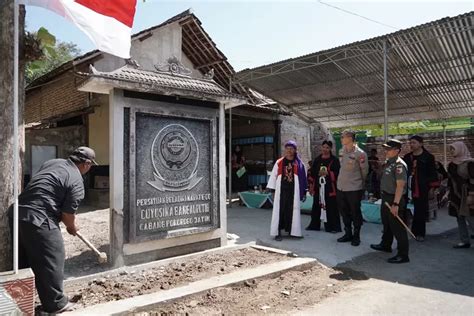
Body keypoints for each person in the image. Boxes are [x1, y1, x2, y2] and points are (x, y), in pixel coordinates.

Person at [8, 147, 97, 313]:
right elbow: (67, 215)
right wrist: (72, 228)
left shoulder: (53, 162)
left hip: (17, 213)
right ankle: (56, 304)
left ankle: (20, 304)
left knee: (23, 261)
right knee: (53, 258)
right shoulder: (77, 181)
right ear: (86, 164)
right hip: (40, 217)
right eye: (91, 165)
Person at [370, 139, 410, 264]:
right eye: (385, 148)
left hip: (394, 198)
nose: (385, 151)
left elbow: (400, 186)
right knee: (387, 224)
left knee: (398, 228)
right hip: (386, 197)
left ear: (397, 150)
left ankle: (403, 254)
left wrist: (396, 204)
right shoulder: (389, 162)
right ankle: (385, 245)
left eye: (388, 149)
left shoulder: (399, 165)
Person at [267, 140, 307, 241]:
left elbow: (303, 178)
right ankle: (277, 232)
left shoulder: (299, 163)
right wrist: (272, 190)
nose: (289, 151)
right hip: (281, 191)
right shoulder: (279, 162)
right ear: (285, 150)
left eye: (291, 149)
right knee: (280, 211)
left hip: (294, 191)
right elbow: (273, 176)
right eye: (287, 148)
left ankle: (292, 231)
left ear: (295, 150)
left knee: (292, 211)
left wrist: (304, 191)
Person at [336, 130, 369, 246]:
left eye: (343, 136)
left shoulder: (360, 154)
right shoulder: (341, 151)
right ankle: (348, 233)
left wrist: (360, 183)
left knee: (355, 212)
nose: (341, 138)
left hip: (354, 187)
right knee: (344, 212)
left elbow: (364, 171)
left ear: (350, 138)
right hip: (341, 187)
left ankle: (356, 235)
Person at [403, 135, 438, 241]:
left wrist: (432, 188)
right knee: (405, 207)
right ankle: (409, 230)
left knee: (420, 210)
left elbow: (433, 173)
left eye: (414, 143)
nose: (411, 145)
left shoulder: (428, 157)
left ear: (421, 144)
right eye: (410, 143)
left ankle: (420, 233)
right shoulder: (407, 157)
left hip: (422, 187)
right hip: (408, 186)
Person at [306, 140, 341, 233]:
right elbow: (312, 172)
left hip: (330, 187)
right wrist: (310, 186)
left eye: (327, 148)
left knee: (331, 207)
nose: (325, 149)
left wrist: (328, 173)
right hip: (318, 187)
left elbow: (338, 173)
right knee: (316, 206)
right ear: (321, 147)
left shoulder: (334, 160)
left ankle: (333, 227)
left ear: (330, 149)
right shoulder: (317, 159)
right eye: (324, 147)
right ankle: (314, 225)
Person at [447, 141, 474, 249]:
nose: (452, 151)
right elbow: (451, 179)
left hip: (467, 193)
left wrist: (471, 194)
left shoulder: (470, 163)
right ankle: (464, 240)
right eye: (451, 149)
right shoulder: (452, 164)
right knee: (459, 217)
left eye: (453, 149)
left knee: (470, 217)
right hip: (455, 194)